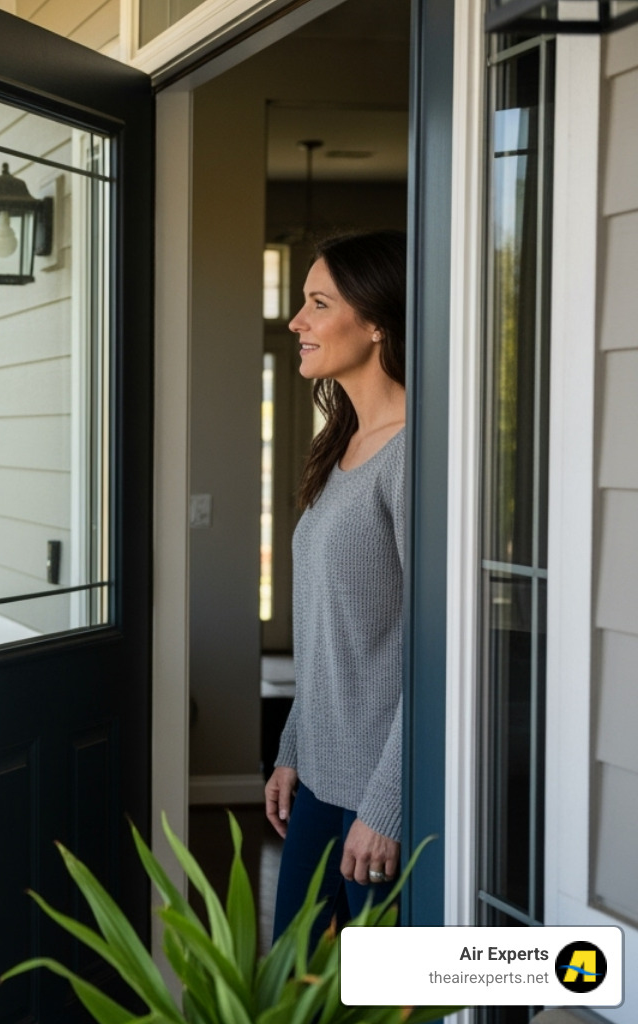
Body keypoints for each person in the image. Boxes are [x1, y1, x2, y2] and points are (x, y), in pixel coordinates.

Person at [264, 230, 407, 949]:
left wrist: (387, 804)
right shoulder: (343, 442)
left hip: (380, 795)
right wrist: (292, 748)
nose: (297, 321)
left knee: (378, 996)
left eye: (318, 303)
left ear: (378, 321)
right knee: (295, 988)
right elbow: (328, 633)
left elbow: (437, 653)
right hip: (319, 783)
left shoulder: (415, 456)